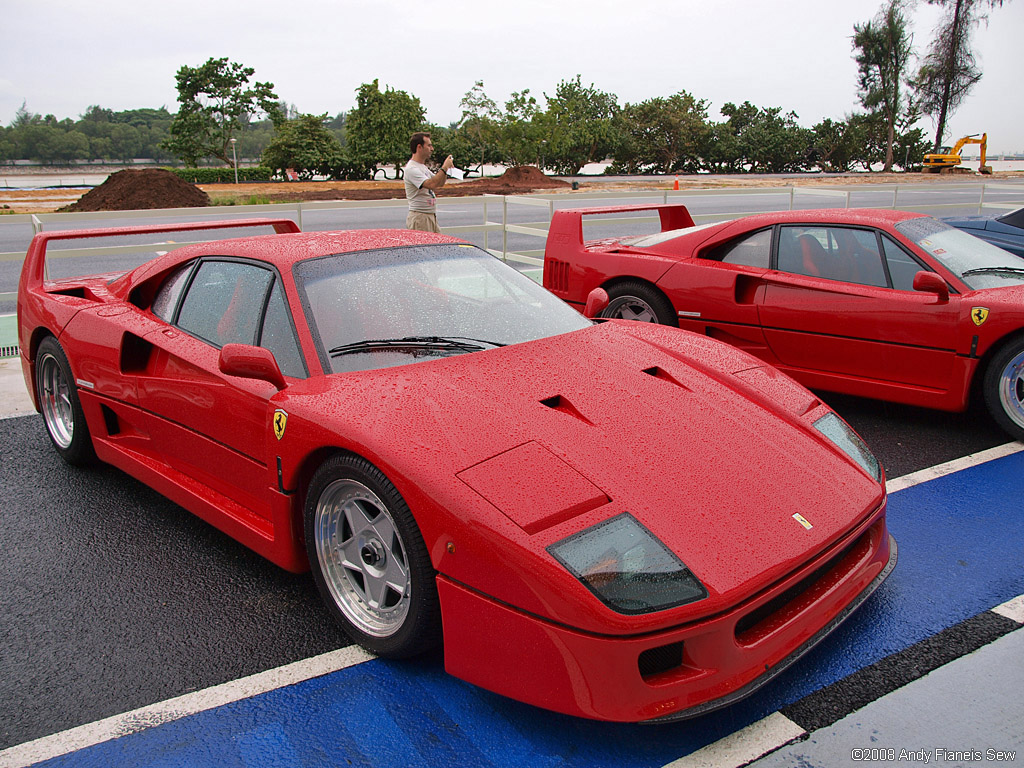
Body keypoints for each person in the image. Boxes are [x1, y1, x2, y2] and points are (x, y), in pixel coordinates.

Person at [403, 132, 454, 232]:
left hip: (430, 215)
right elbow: (431, 184)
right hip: (420, 217)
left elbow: (439, 183)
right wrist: (444, 167)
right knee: (423, 247)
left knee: (437, 246)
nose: (432, 149)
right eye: (429, 145)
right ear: (419, 147)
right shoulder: (411, 168)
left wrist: (446, 169)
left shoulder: (422, 167)